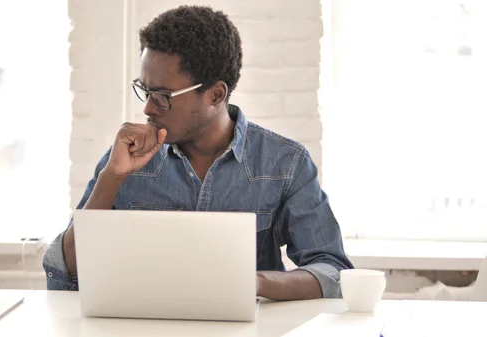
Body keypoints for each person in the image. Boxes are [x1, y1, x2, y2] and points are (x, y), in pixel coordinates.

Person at [43, 5, 353, 300]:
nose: (148, 108)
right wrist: (112, 178)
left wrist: (253, 281)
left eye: (163, 96)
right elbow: (64, 275)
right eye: (145, 90)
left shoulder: (285, 163)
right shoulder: (125, 158)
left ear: (216, 94)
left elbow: (333, 272)